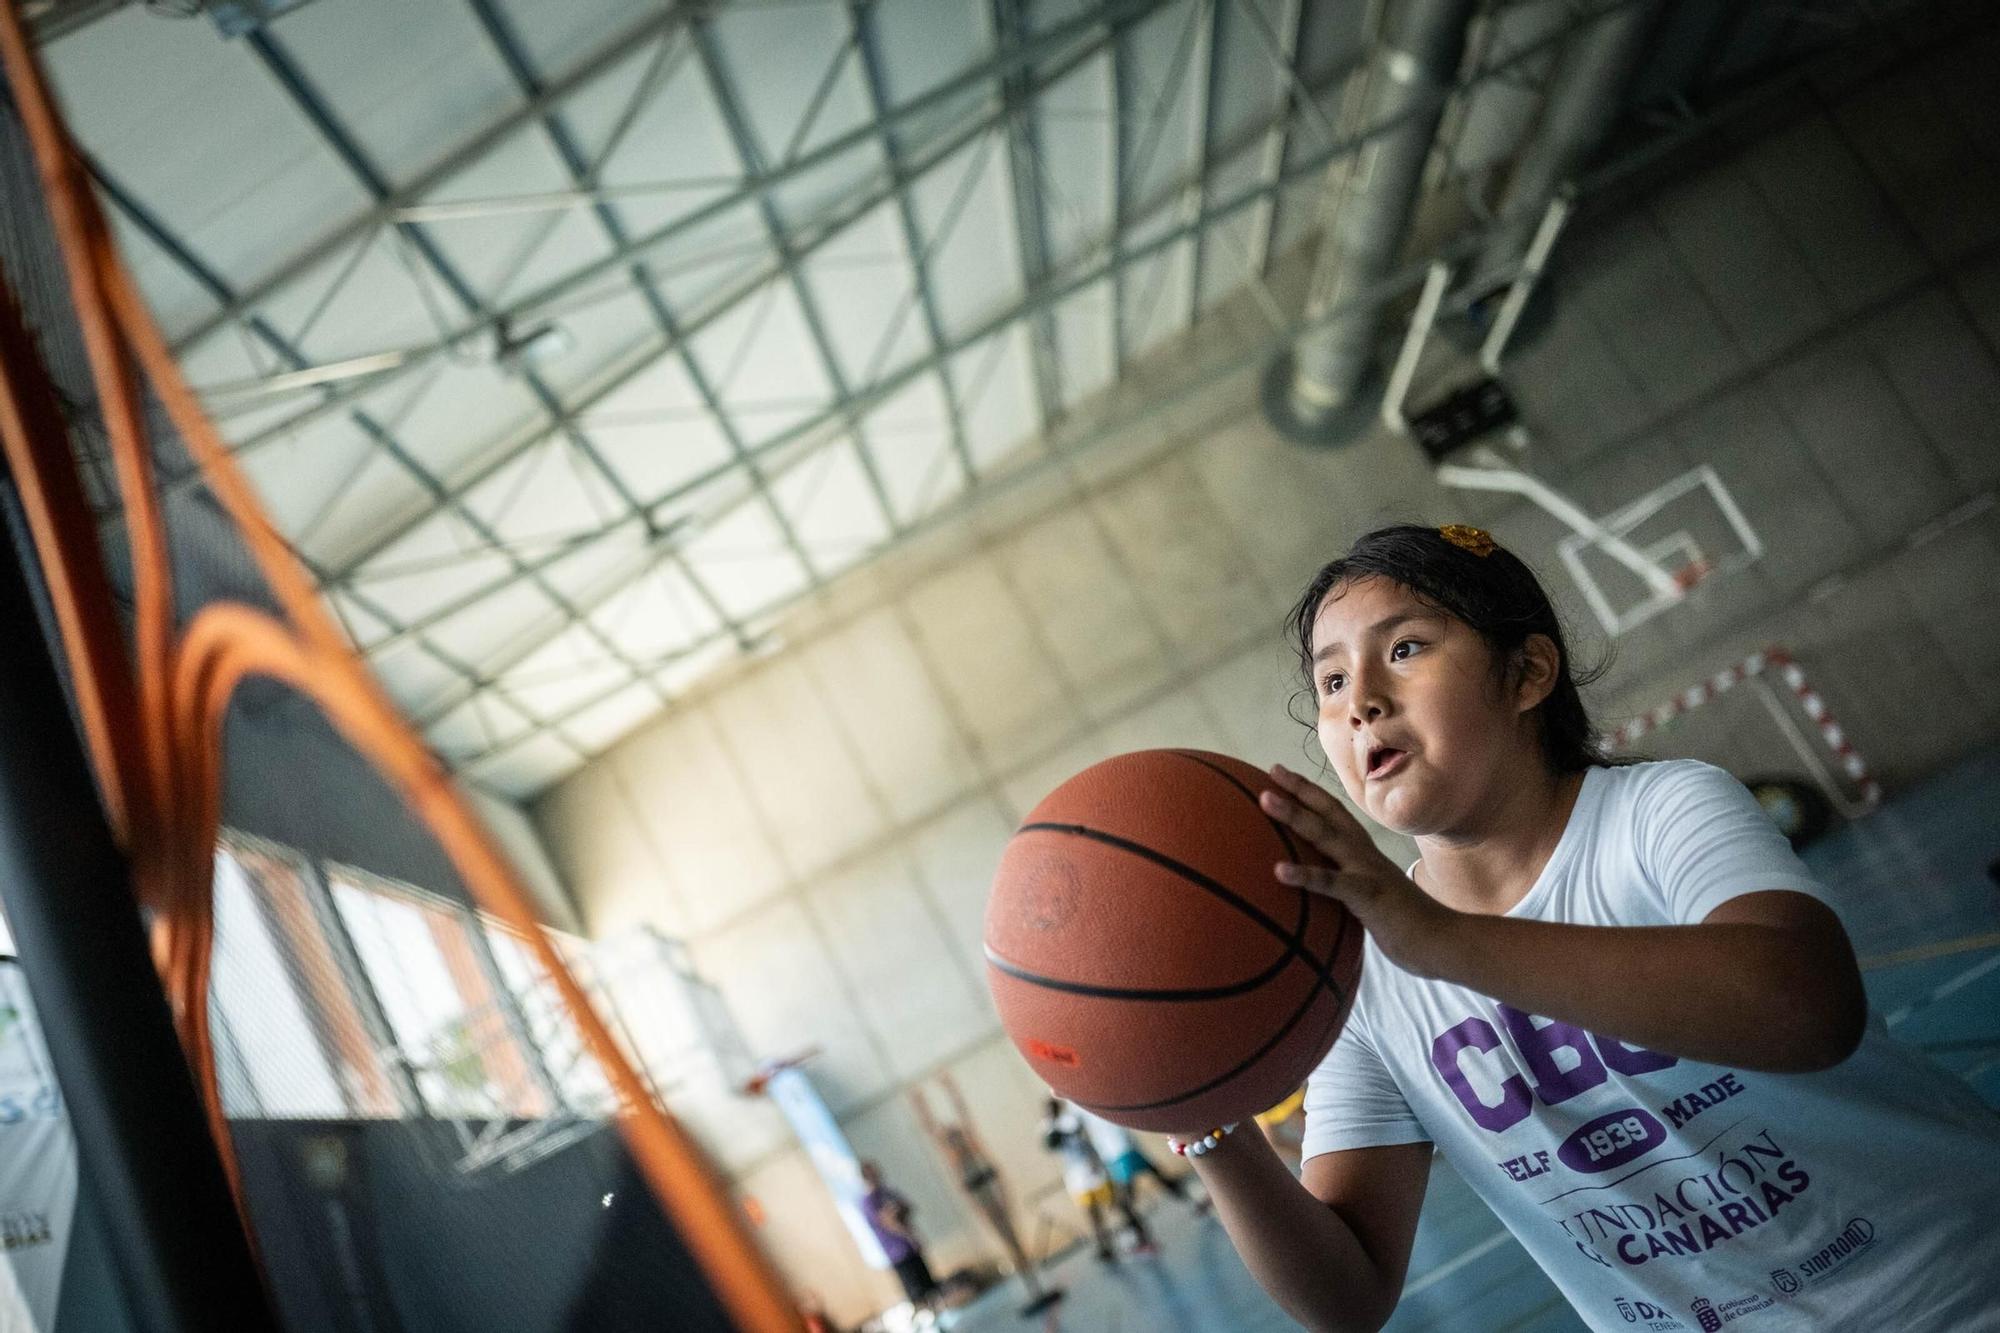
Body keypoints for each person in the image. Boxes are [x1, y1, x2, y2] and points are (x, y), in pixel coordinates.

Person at [1176, 523, 2000, 1332]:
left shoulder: (1661, 810)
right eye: (1329, 682)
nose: (1359, 701)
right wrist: (1202, 1118)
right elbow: (1346, 1297)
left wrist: (1443, 939)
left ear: (1528, 671)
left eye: (1403, 649)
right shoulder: (1366, 976)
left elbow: (1809, 1008)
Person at [1040, 1097, 1154, 1260]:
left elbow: (1075, 1130)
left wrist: (1058, 1128)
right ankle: (1104, 1246)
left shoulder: (1069, 1120)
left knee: (1118, 1204)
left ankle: (1141, 1234)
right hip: (1077, 1177)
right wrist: (1051, 1125)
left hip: (1094, 1170)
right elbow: (1050, 1144)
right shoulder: (1047, 1127)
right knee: (1092, 1215)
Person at [1074, 1106, 1206, 1214]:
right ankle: (1135, 1230)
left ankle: (1190, 1202)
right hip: (1114, 1151)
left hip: (1123, 1146)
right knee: (1131, 1190)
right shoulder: (1077, 1106)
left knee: (1154, 1176)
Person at [857, 1161, 938, 1314]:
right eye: (872, 1173)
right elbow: (887, 1221)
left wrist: (898, 1212)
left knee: (929, 1287)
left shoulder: (887, 1192)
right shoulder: (868, 1202)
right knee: (917, 1293)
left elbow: (907, 1206)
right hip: (897, 1252)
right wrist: (908, 1233)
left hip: (909, 1247)